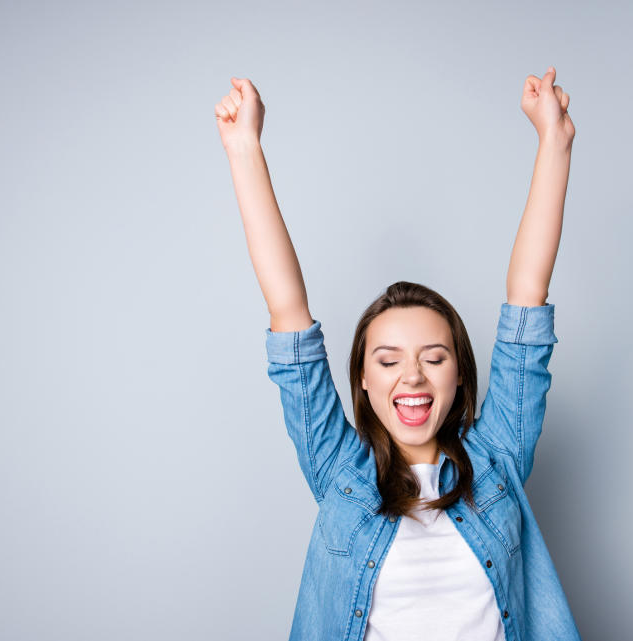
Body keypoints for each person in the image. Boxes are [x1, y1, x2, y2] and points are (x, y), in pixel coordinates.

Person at [215, 67, 580, 641]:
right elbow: (288, 312)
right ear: (362, 378)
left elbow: (527, 299)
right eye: (387, 361)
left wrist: (553, 143)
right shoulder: (340, 473)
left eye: (434, 358)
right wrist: (244, 148)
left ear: (460, 375)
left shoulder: (499, 459)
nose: (412, 376)